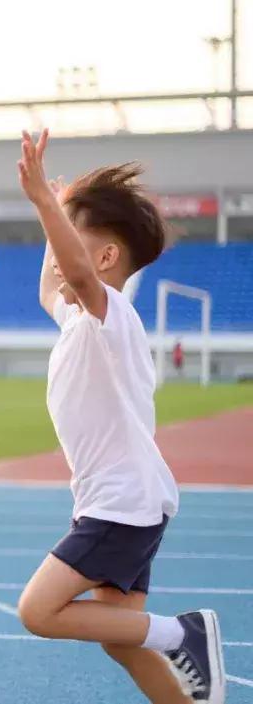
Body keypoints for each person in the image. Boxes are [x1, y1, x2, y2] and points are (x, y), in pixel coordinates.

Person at [15, 130, 225, 703]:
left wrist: (39, 199)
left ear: (104, 257)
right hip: (127, 501)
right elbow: (48, 290)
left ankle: (183, 634)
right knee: (120, 638)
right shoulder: (81, 322)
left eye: (70, 241)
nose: (60, 259)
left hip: (121, 505)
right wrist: (56, 214)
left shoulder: (114, 318)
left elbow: (79, 279)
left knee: (37, 610)